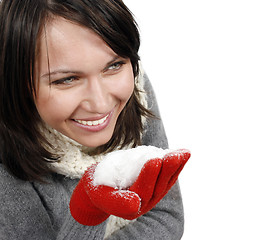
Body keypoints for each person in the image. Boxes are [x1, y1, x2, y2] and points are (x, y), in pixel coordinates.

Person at [0, 0, 190, 239]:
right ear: (17, 84)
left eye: (113, 65)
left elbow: (166, 216)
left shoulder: (135, 86)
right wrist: (87, 216)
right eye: (67, 79)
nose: (101, 104)